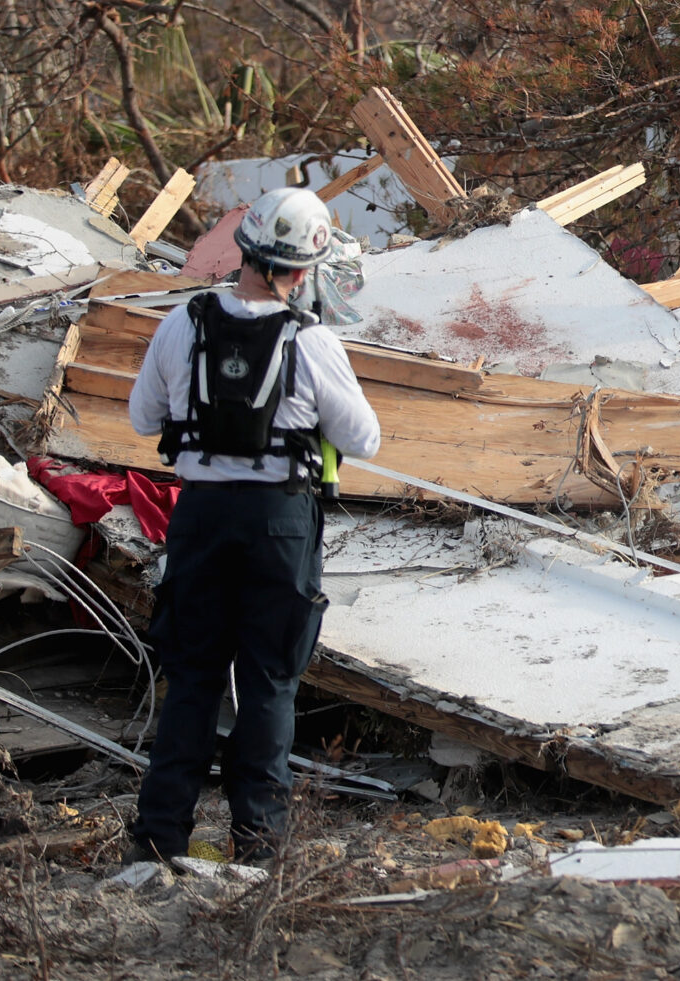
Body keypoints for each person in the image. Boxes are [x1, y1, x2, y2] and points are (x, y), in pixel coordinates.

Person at [124, 187, 381, 867]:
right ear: (305, 269)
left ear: (244, 247)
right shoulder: (312, 339)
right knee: (269, 681)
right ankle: (259, 850)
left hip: (201, 519)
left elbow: (142, 418)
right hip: (280, 524)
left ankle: (157, 842)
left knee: (192, 678)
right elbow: (365, 436)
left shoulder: (183, 323)